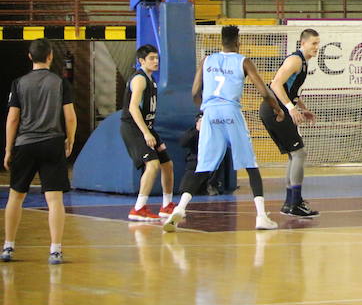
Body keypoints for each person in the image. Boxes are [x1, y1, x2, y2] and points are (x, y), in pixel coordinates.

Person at [163, 25, 282, 232]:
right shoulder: (243, 61)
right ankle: (261, 216)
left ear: (221, 41)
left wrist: (204, 110)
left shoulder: (206, 60)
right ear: (238, 42)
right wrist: (277, 109)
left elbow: (193, 92)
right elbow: (263, 91)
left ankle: (180, 208)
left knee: (204, 165)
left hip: (210, 113)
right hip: (230, 111)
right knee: (250, 164)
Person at [2, 39, 76, 264]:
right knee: (54, 199)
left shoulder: (19, 83)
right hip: (52, 143)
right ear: (51, 56)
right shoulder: (60, 83)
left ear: (29, 56)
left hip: (25, 144)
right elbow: (70, 116)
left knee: (16, 196)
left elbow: (13, 118)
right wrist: (70, 139)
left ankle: (8, 247)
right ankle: (55, 250)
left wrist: (8, 149)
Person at [262, 28, 320, 217]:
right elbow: (275, 84)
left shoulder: (303, 63)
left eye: (318, 44)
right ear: (302, 43)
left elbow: (290, 90)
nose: (316, 47)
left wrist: (301, 107)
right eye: (313, 43)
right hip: (275, 110)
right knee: (299, 153)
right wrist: (291, 108)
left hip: (276, 110)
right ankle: (294, 202)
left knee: (294, 155)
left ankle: (290, 203)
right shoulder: (295, 60)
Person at [120, 45, 175, 221]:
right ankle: (139, 208)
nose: (156, 61)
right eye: (151, 58)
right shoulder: (140, 79)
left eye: (157, 57)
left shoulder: (151, 79)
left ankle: (166, 206)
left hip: (147, 127)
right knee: (152, 165)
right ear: (141, 61)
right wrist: (146, 133)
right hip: (134, 128)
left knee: (167, 164)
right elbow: (133, 107)